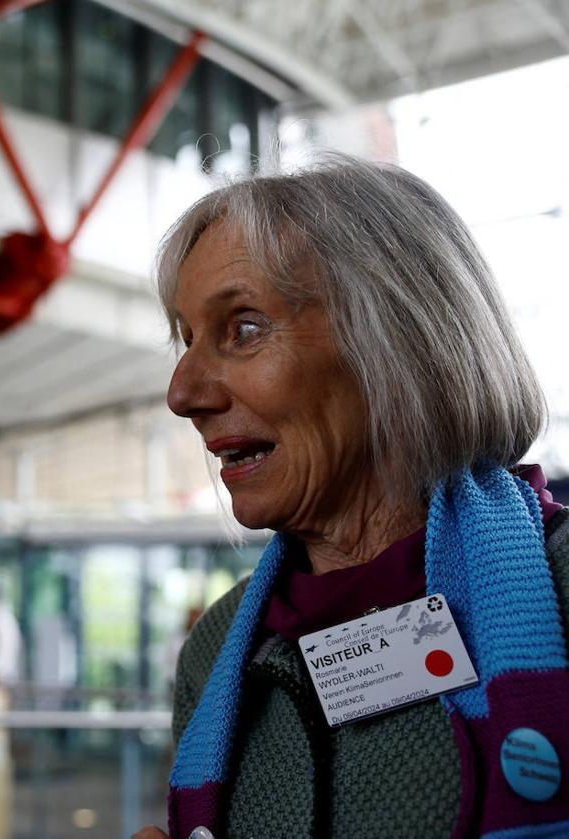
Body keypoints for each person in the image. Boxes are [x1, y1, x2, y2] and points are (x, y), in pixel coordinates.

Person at [131, 155, 569, 839]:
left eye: (243, 328)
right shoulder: (217, 651)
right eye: (187, 341)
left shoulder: (562, 587)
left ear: (400, 340)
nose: (183, 394)